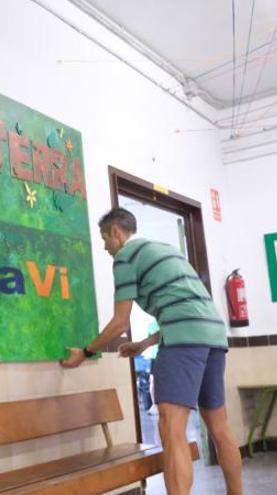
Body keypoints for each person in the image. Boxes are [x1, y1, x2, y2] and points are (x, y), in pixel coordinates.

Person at [60, 207, 243, 495]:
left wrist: (85, 352)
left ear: (117, 233)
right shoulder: (165, 249)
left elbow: (120, 322)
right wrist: (147, 343)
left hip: (184, 341)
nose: (105, 247)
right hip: (214, 337)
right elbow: (189, 308)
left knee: (171, 429)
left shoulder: (125, 257)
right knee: (220, 428)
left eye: (104, 239)